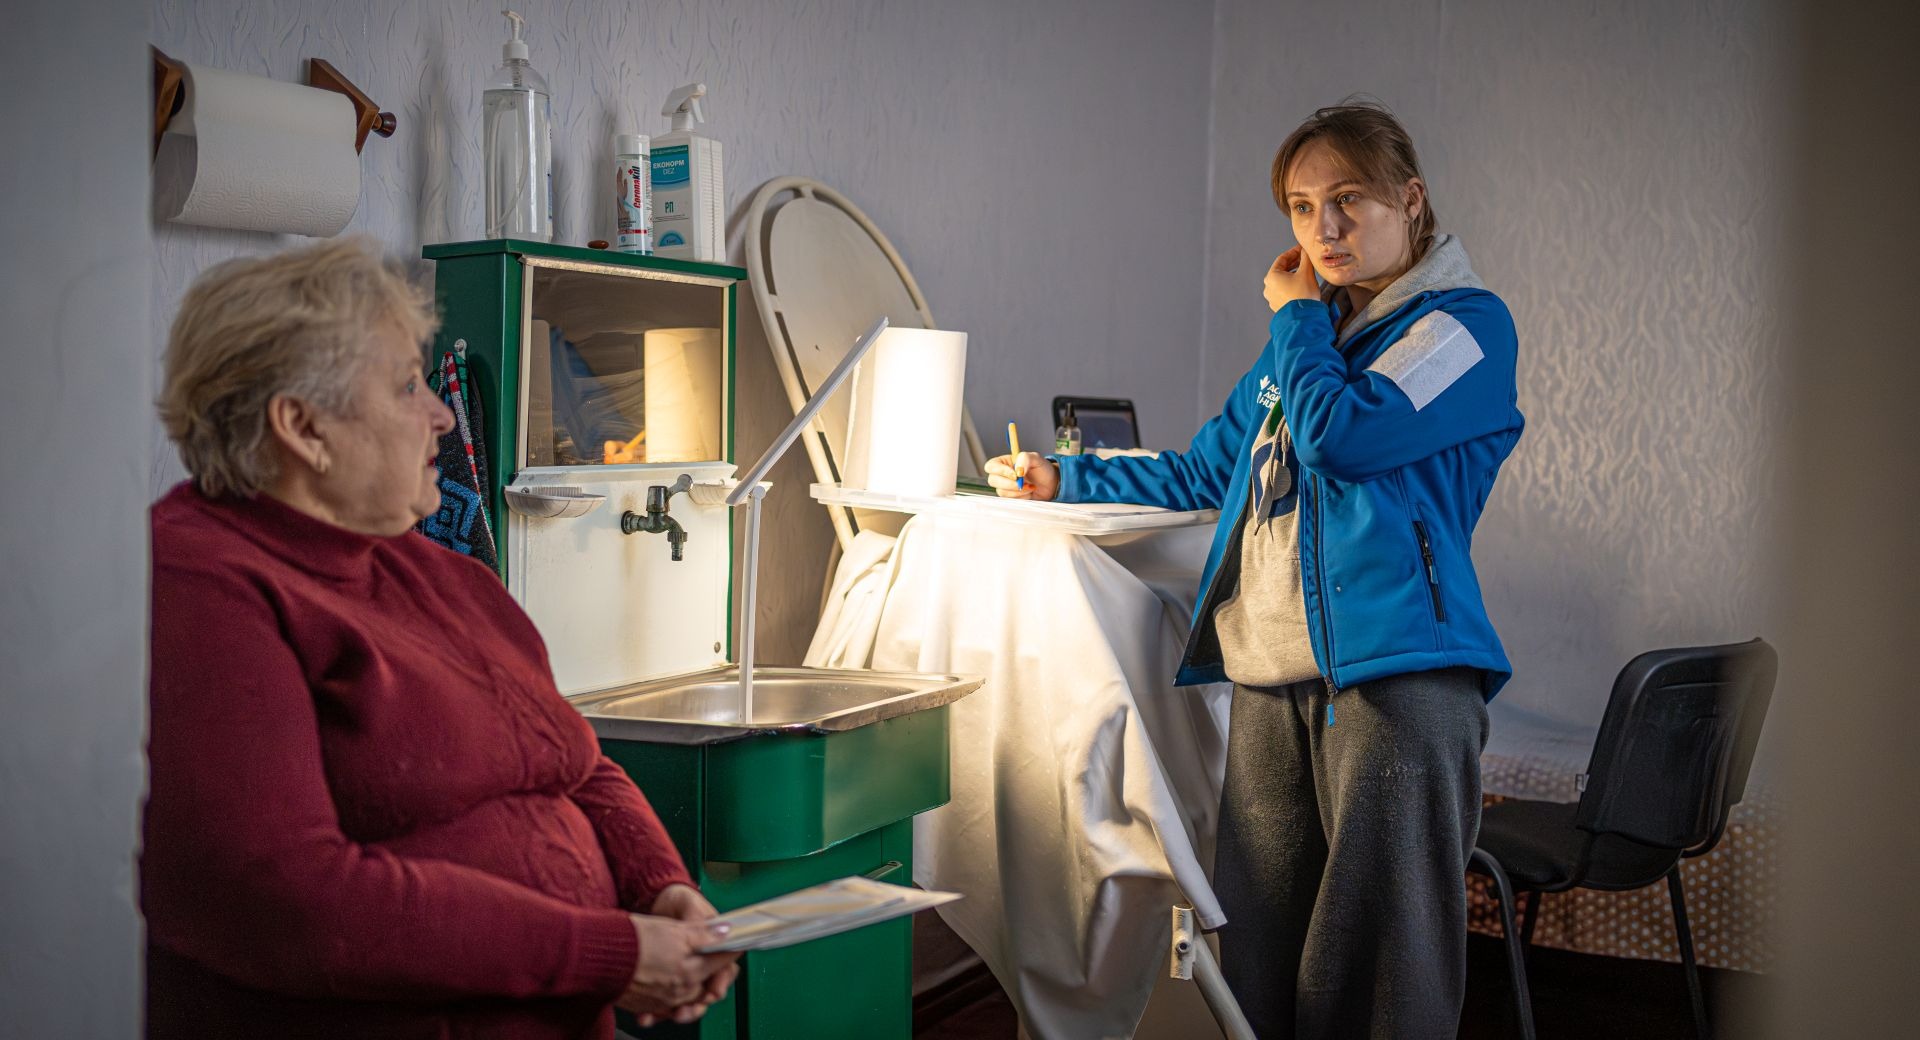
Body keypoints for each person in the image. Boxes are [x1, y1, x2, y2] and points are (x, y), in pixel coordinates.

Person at [989, 100, 1523, 1038]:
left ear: (1411, 199)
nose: (1324, 230)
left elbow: (1339, 437)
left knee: (1380, 971)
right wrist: (1060, 475)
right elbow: (1204, 471)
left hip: (1399, 679)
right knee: (1261, 964)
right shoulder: (1305, 345)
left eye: (1348, 200)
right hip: (1270, 679)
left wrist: (1297, 316)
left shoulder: (1465, 329)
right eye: (1302, 208)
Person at [143, 237, 740, 1039]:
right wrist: (606, 954)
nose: (444, 415)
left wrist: (661, 888)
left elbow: (576, 765)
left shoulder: (442, 574)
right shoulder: (199, 583)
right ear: (303, 427)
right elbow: (282, 901)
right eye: (406, 386)